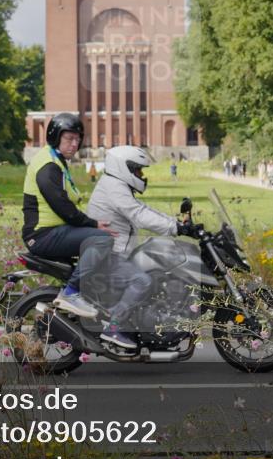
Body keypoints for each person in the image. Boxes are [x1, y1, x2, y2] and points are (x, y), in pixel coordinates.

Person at [87, 146, 197, 349]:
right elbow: (138, 215)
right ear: (124, 167)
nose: (141, 175)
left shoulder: (115, 185)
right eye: (138, 170)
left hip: (116, 251)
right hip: (109, 255)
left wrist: (176, 223)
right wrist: (175, 227)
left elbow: (142, 210)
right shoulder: (114, 187)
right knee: (143, 281)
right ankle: (113, 327)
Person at [22, 113, 116, 318]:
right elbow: (62, 207)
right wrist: (93, 224)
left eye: (77, 139)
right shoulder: (48, 166)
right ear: (56, 137)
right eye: (69, 139)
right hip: (42, 235)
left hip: (54, 232)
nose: (75, 144)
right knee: (101, 240)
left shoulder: (56, 160)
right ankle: (71, 294)